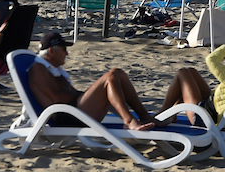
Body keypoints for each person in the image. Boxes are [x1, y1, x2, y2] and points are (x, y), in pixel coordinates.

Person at [28, 30, 158, 131]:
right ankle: (129, 121)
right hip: (67, 117)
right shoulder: (38, 68)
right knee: (110, 77)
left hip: (73, 110)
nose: (67, 54)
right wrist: (87, 95)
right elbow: (57, 98)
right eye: (64, 49)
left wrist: (89, 95)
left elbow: (65, 93)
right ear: (51, 51)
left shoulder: (53, 69)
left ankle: (144, 116)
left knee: (117, 73)